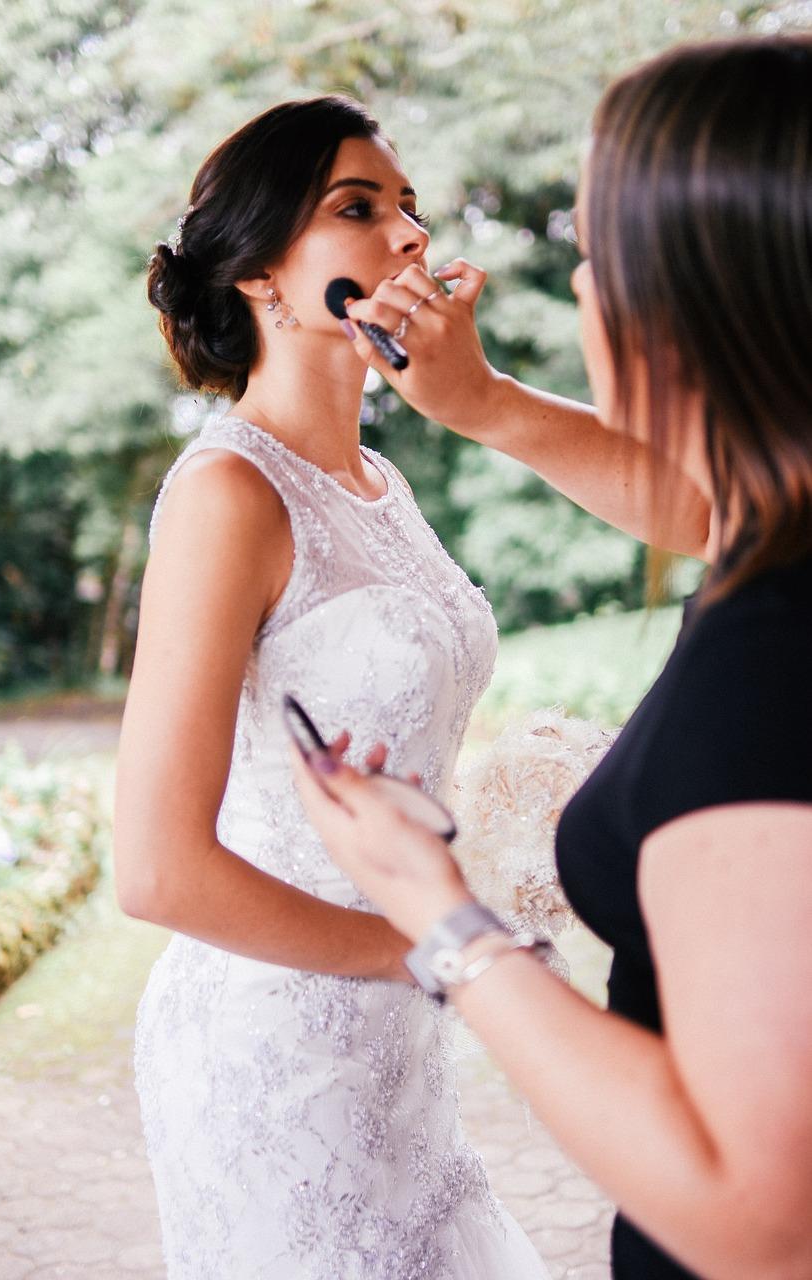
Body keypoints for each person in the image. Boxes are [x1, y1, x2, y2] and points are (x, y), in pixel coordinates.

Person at [291, 37, 812, 1280]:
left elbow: (761, 1213)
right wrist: (480, 402)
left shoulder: (775, 661)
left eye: (591, 255)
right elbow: (706, 509)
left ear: (677, 301)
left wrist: (436, 911)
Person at [114, 95, 554, 1279]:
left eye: (408, 207)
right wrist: (432, 945)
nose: (409, 236)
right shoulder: (225, 496)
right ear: (259, 272)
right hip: (272, 1047)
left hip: (397, 1047)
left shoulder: (384, 482)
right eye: (358, 209)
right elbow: (156, 867)